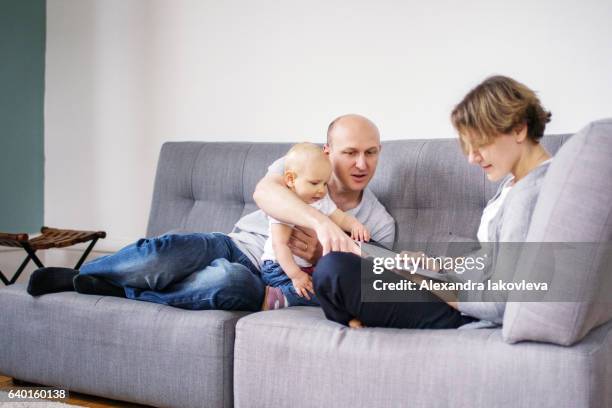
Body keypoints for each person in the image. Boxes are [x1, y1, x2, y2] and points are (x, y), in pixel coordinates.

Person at [27, 114, 395, 312]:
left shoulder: (377, 220)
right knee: (165, 252)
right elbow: (264, 192)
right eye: (350, 152)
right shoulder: (301, 165)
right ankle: (82, 276)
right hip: (236, 245)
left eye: (372, 152)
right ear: (329, 151)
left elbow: (364, 278)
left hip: (270, 281)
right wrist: (317, 221)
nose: (362, 163)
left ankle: (115, 290)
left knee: (227, 283)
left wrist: (321, 252)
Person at [311, 75, 553, 329]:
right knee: (358, 248)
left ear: (519, 129)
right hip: (455, 288)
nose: (472, 157)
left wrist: (426, 282)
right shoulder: (516, 182)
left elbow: (501, 301)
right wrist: (435, 265)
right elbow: (493, 259)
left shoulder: (528, 195)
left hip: (463, 311)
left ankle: (352, 313)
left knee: (334, 268)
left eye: (480, 143)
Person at [260, 142, 370, 310]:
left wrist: (354, 224)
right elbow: (279, 245)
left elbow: (339, 218)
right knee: (322, 296)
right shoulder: (287, 206)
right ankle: (280, 296)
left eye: (325, 184)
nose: (321, 190)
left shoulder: (320, 200)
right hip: (280, 268)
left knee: (336, 288)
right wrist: (296, 276)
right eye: (314, 183)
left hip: (306, 267)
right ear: (291, 179)